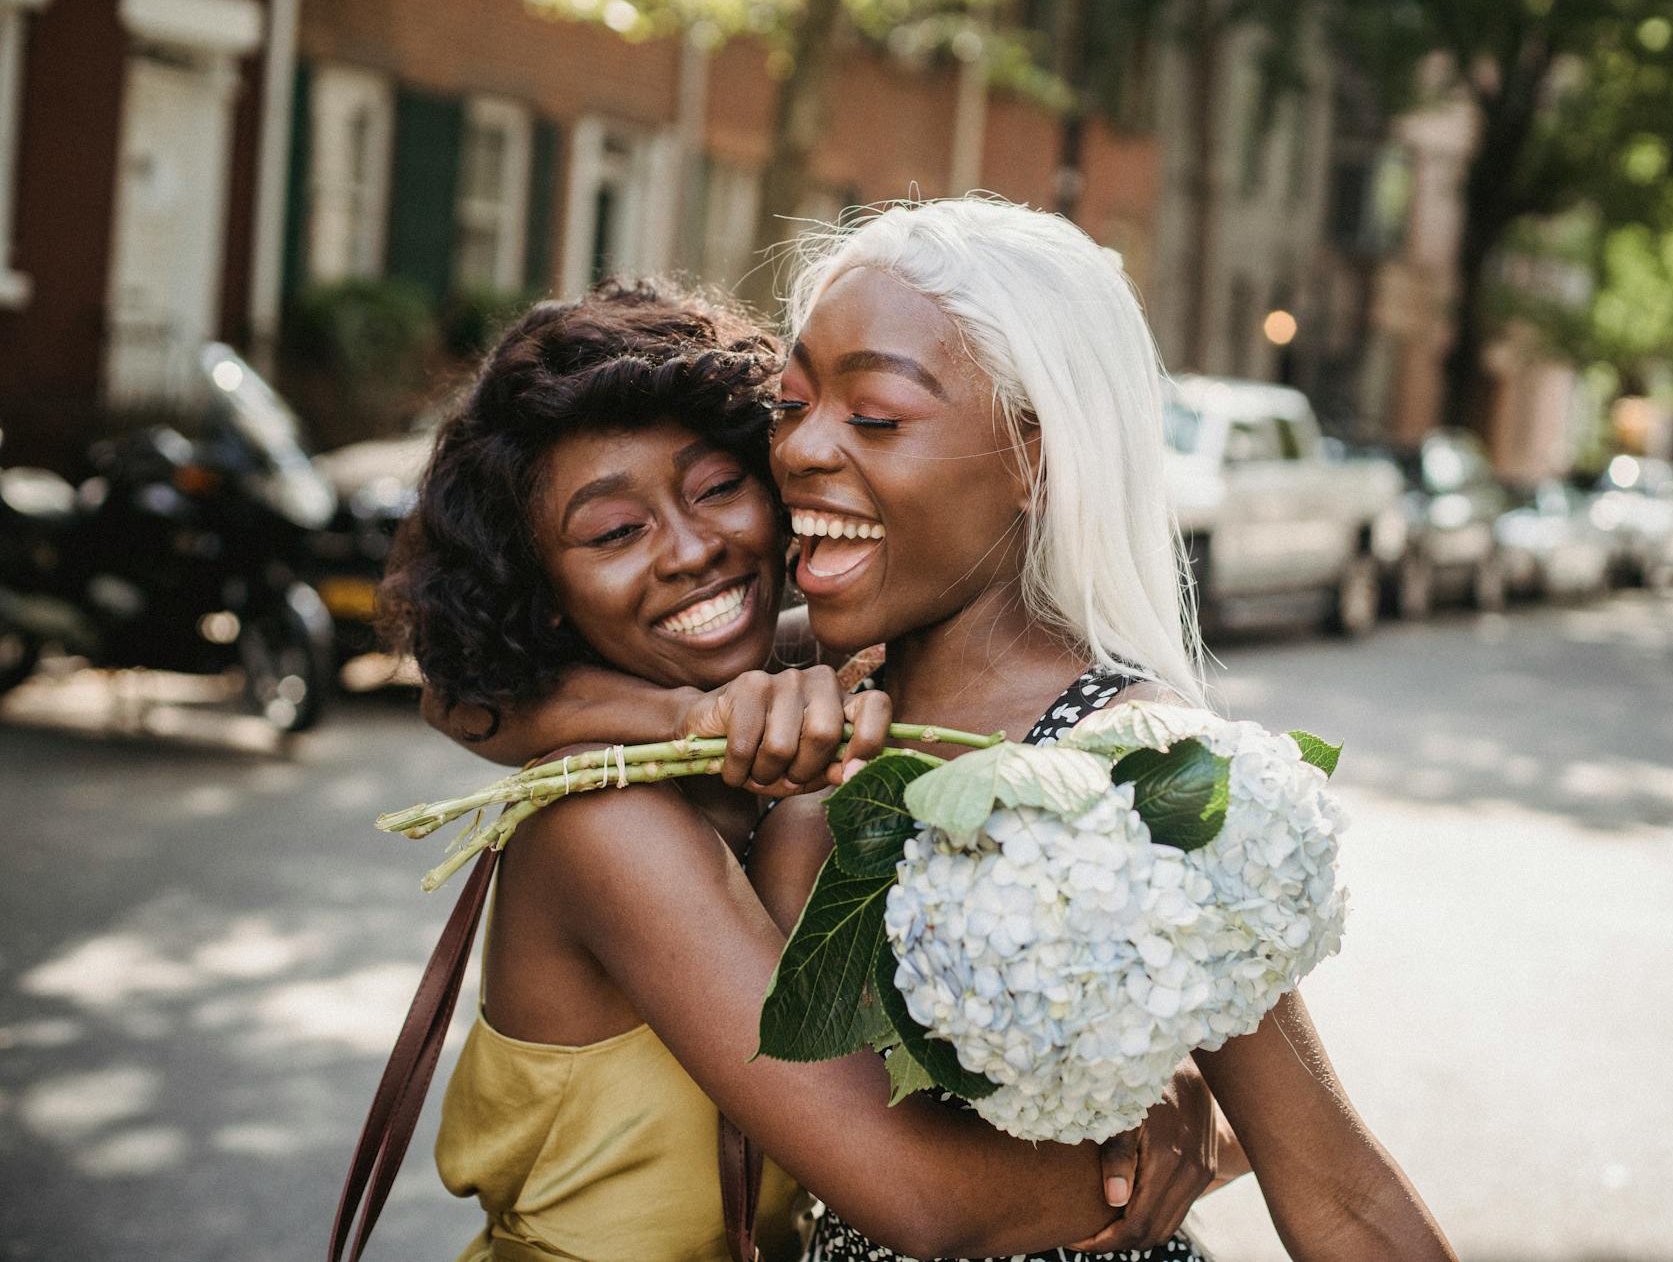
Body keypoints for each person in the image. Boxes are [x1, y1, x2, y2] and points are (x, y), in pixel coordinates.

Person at [463, 199, 1456, 1262]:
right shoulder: (817, 686)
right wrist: (682, 711)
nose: (799, 450)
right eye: (791, 406)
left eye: (875, 416)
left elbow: (1332, 1183)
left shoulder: (1132, 773)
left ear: (1035, 453)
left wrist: (1195, 1125)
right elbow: (467, 679)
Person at [383, 276, 1223, 1262]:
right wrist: (1138, 1142)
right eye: (614, 532)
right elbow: (925, 1201)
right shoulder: (605, 821)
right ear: (544, 594)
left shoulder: (806, 680)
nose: (693, 548)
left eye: (718, 487)